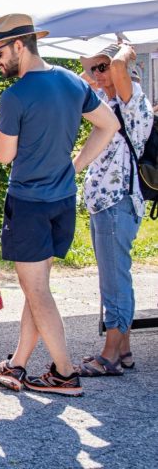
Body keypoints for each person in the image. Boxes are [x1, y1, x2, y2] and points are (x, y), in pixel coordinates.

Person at [0, 14, 119, 397]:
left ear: (20, 46)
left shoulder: (16, 95)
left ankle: (63, 372)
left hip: (28, 203)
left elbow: (2, 155)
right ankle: (18, 364)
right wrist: (75, 166)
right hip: (61, 200)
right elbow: (108, 126)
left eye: (0, 51)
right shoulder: (73, 81)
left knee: (37, 291)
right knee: (35, 286)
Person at [77, 44, 153, 376]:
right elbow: (82, 80)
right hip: (108, 202)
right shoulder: (109, 103)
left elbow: (120, 69)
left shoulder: (131, 98)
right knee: (116, 275)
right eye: (95, 69)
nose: (97, 74)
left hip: (117, 201)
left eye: (102, 68)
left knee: (114, 279)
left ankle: (109, 355)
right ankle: (124, 350)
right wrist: (95, 68)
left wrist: (124, 49)